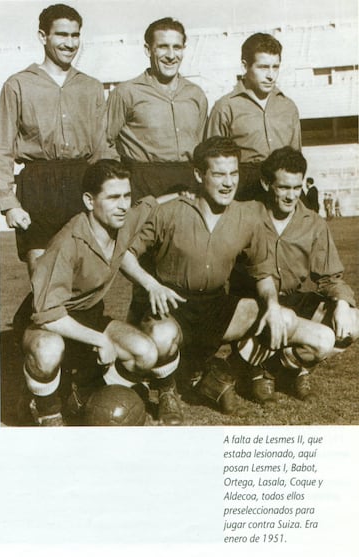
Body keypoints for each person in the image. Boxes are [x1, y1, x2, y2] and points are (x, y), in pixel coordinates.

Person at [120, 137, 334, 416]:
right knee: (161, 336)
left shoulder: (246, 217)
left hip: (216, 306)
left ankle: (229, 370)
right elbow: (124, 254)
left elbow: (263, 271)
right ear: (199, 174)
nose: (228, 182)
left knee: (302, 327)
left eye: (233, 173)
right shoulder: (169, 212)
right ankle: (168, 389)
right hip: (173, 305)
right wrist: (152, 286)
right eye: (219, 173)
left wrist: (271, 306)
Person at [20, 160, 182, 427]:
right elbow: (47, 315)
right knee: (48, 350)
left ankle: (82, 396)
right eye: (113, 197)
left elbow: (150, 205)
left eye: (127, 195)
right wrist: (101, 340)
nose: (122, 205)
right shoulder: (67, 242)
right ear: (89, 200)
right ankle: (47, 411)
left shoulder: (124, 220)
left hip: (89, 315)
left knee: (146, 354)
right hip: (48, 321)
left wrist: (185, 193)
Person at [229, 147, 358, 402]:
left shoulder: (313, 222)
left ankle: (279, 367)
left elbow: (330, 278)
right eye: (284, 187)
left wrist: (342, 303)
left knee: (353, 322)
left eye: (296, 188)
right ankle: (251, 364)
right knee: (270, 316)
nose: (291, 196)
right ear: (267, 184)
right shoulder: (245, 214)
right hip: (256, 304)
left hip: (293, 299)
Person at [0, 3, 115, 276]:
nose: (70, 43)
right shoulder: (18, 85)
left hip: (81, 183)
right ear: (43, 36)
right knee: (43, 276)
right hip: (37, 185)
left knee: (83, 276)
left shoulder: (91, 86)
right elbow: (2, 148)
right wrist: (9, 204)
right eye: (62, 35)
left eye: (75, 35)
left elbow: (101, 148)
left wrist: (106, 195)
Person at [107, 17, 208, 202]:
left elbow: (201, 144)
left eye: (177, 47)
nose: (171, 55)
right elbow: (104, 142)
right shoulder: (126, 93)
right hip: (143, 183)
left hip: (188, 184)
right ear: (148, 50)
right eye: (163, 47)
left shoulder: (196, 94)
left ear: (184, 50)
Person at [205, 33, 301, 200]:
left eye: (275, 67)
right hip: (244, 189)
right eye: (263, 67)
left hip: (282, 185)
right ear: (245, 67)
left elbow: (296, 156)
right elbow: (212, 161)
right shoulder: (225, 107)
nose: (271, 75)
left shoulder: (288, 106)